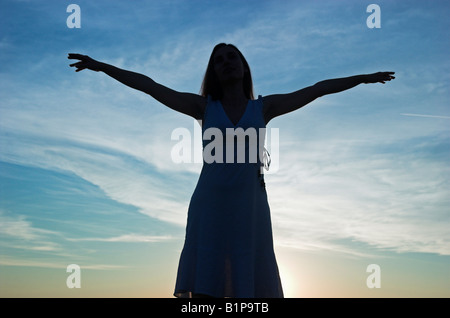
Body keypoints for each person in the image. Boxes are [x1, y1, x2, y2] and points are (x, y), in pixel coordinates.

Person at [68, 43, 395, 298]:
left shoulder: (263, 108)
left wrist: (362, 78)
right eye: (219, 60)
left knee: (249, 286)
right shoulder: (203, 107)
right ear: (213, 71)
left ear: (244, 67)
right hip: (209, 208)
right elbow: (150, 86)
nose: (226, 62)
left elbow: (318, 88)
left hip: (250, 211)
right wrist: (100, 67)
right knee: (206, 288)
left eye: (232, 57)